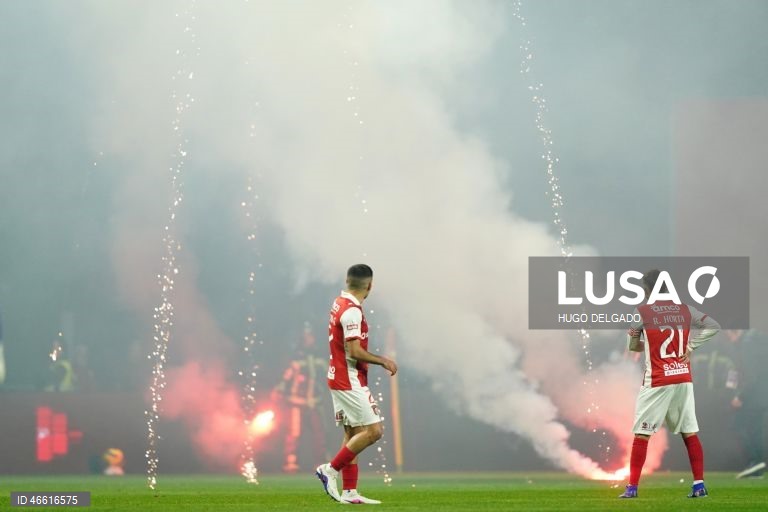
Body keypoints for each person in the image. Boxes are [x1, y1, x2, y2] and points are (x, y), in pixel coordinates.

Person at [619, 269, 720, 499]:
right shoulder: (685, 309)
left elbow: (632, 347)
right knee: (690, 433)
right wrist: (691, 347)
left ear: (647, 289)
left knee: (642, 434)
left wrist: (644, 341)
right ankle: (699, 485)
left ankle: (632, 488)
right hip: (683, 377)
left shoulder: (642, 312)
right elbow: (714, 326)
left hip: (657, 379)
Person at [315, 264, 398, 504]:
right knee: (373, 431)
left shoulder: (338, 303)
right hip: (347, 379)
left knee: (353, 433)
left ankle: (350, 492)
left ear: (347, 281)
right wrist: (382, 360)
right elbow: (353, 350)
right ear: (370, 285)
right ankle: (329, 470)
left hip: (339, 376)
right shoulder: (352, 311)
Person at [724, 330, 768, 478]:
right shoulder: (744, 345)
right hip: (760, 397)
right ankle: (757, 464)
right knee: (754, 430)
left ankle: (755, 461)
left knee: (739, 426)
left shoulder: (747, 345)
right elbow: (736, 371)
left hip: (753, 398)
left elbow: (752, 376)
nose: (727, 336)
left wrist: (740, 397)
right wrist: (730, 389)